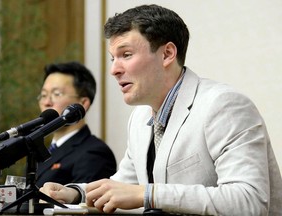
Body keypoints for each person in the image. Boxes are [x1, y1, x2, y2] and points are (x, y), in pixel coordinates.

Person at [39, 5, 282, 215]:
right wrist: (74, 194)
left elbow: (250, 201)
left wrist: (149, 195)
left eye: (125, 54)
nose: (114, 69)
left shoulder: (223, 105)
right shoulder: (141, 117)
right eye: (113, 58)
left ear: (167, 54)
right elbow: (123, 186)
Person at [36, 61, 116, 187]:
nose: (46, 102)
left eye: (56, 94)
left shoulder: (94, 153)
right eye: (44, 95)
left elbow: (86, 204)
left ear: (82, 103)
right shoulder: (41, 152)